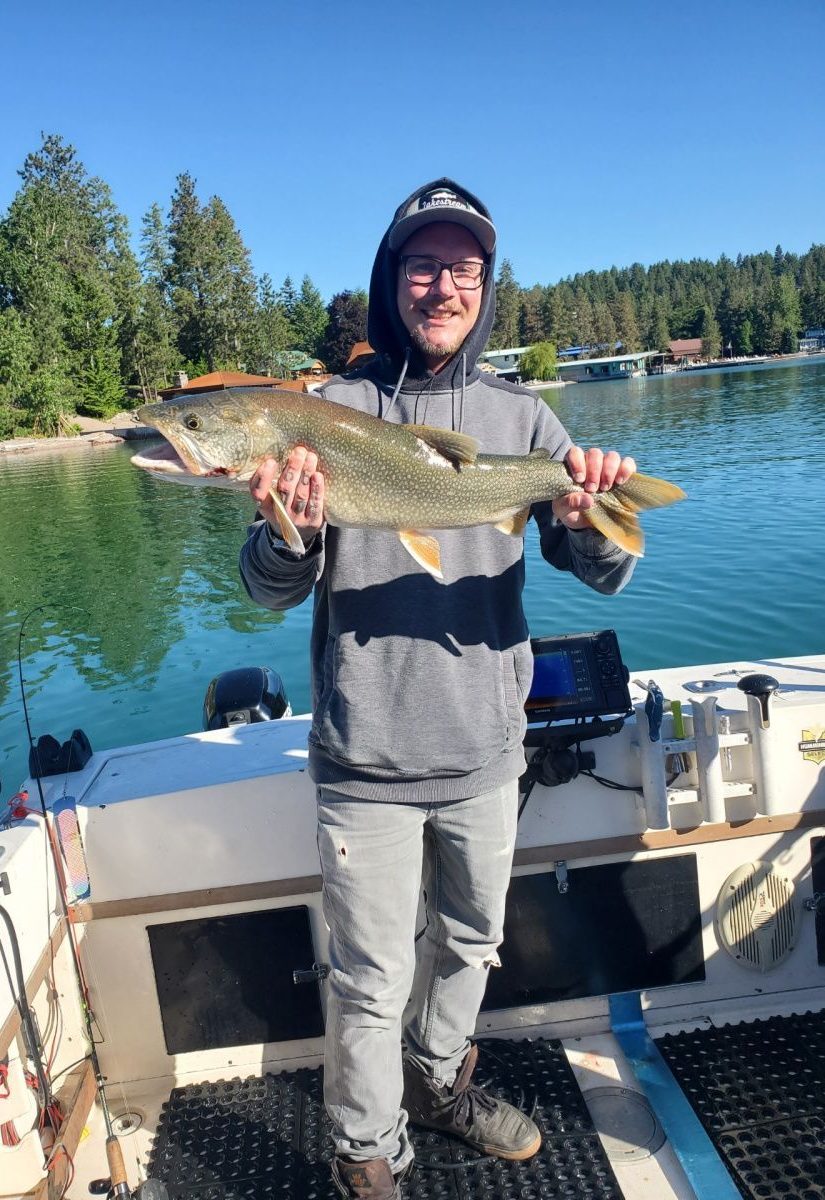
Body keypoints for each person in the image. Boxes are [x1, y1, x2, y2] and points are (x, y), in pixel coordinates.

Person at [239, 179, 638, 1199]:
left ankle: (441, 1082)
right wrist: (294, 526)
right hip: (364, 756)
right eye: (424, 264)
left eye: (464, 267)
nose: (443, 285)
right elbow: (267, 588)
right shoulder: (323, 413)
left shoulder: (521, 418)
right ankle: (364, 1151)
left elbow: (598, 567)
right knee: (368, 982)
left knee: (472, 942)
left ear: (485, 286)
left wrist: (593, 511)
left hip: (483, 749)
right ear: (392, 280)